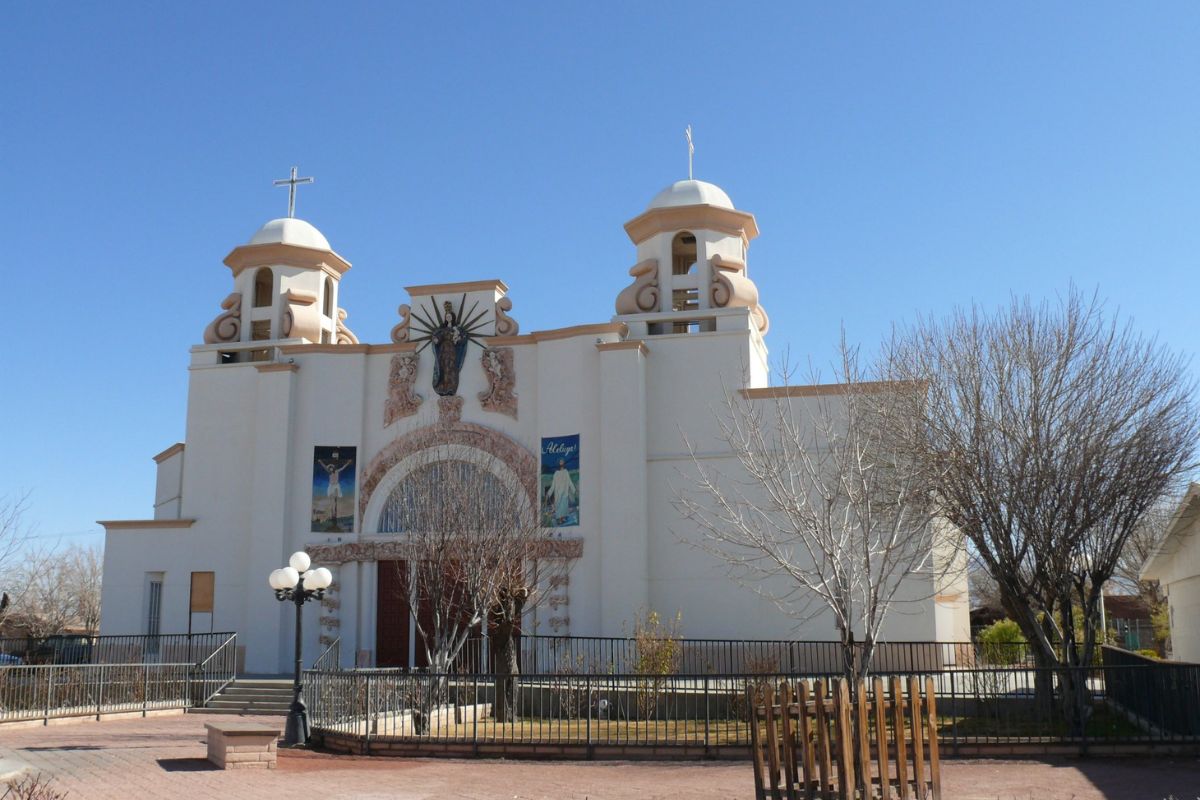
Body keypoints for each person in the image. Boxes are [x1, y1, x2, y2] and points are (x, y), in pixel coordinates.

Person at [545, 458, 578, 525]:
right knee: (559, 508)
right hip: (558, 494)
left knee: (564, 507)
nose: (562, 463)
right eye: (560, 462)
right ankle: (559, 519)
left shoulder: (566, 472)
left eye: (562, 462)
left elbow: (570, 482)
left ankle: (563, 518)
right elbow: (553, 485)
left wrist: (574, 490)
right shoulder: (556, 474)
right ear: (558, 463)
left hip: (565, 494)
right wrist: (548, 493)